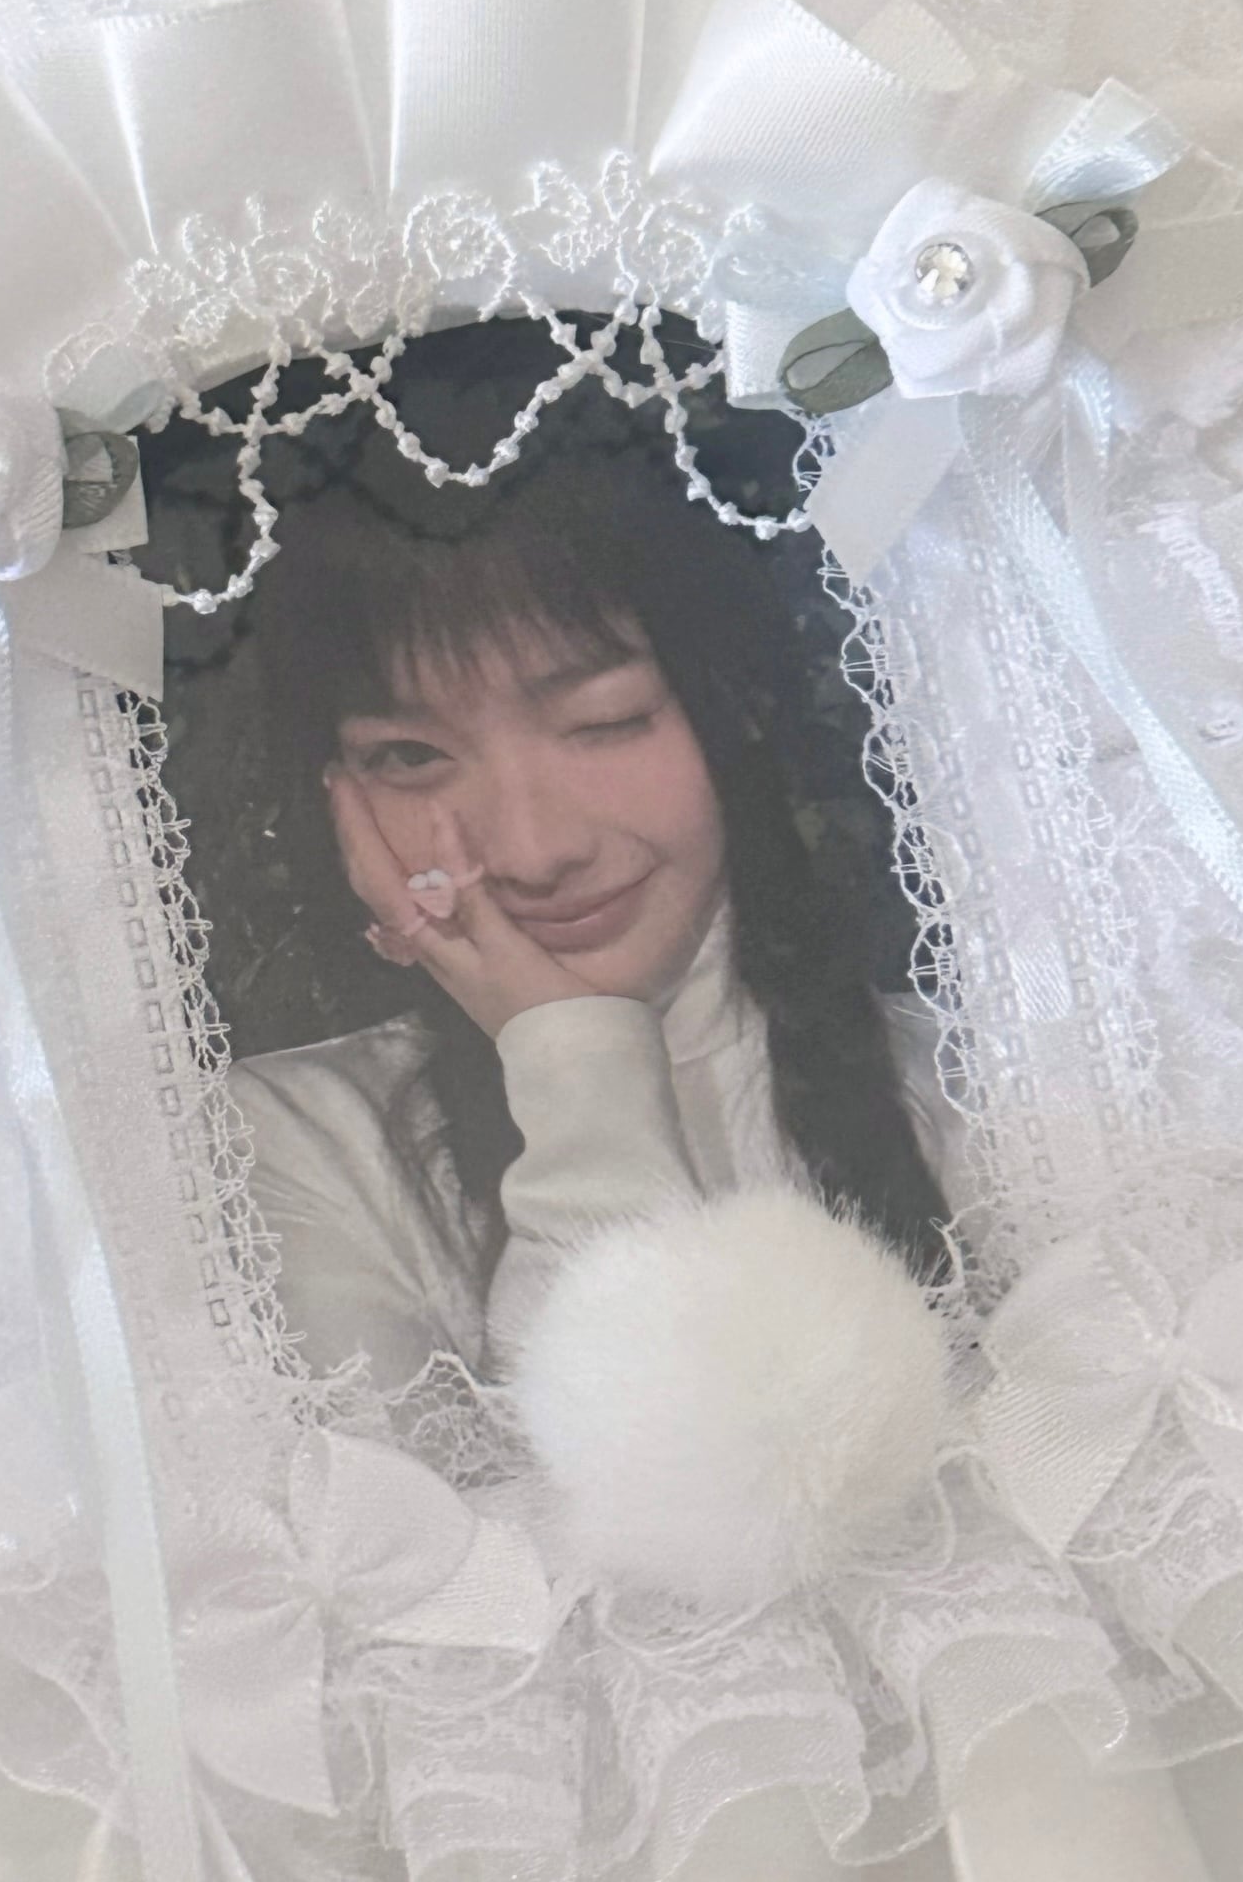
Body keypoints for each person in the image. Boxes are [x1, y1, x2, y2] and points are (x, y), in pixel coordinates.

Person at [148, 328, 948, 1406]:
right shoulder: (289, 1150)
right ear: (338, 797)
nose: (533, 851)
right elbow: (596, 1495)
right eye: (410, 757)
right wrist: (575, 1069)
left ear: (733, 706)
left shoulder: (971, 1087)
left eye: (604, 723)